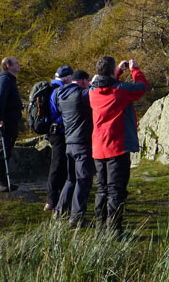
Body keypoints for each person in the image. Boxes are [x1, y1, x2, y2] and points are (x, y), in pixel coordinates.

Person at [89, 57, 148, 233]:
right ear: (112, 71)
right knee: (116, 190)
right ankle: (114, 230)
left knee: (102, 189)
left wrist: (118, 72)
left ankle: (101, 227)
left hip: (98, 148)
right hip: (116, 147)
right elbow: (141, 87)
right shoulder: (120, 92)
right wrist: (134, 69)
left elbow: (103, 84)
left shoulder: (92, 93)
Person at [54, 69, 94, 227]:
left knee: (71, 179)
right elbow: (96, 94)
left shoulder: (61, 95)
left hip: (69, 143)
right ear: (84, 81)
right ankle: (77, 217)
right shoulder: (81, 94)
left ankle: (60, 211)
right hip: (82, 144)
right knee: (83, 180)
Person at [0, 56, 23, 192]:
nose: (19, 64)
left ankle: (2, 180)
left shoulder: (9, 80)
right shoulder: (4, 79)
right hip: (4, 121)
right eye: (16, 63)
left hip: (10, 121)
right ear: (8, 66)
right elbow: (0, 99)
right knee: (0, 150)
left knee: (6, 149)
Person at [44, 65, 72, 212]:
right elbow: (63, 113)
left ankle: (53, 198)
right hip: (59, 131)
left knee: (58, 163)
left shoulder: (51, 90)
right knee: (58, 164)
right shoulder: (60, 91)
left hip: (53, 131)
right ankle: (53, 199)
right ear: (67, 78)